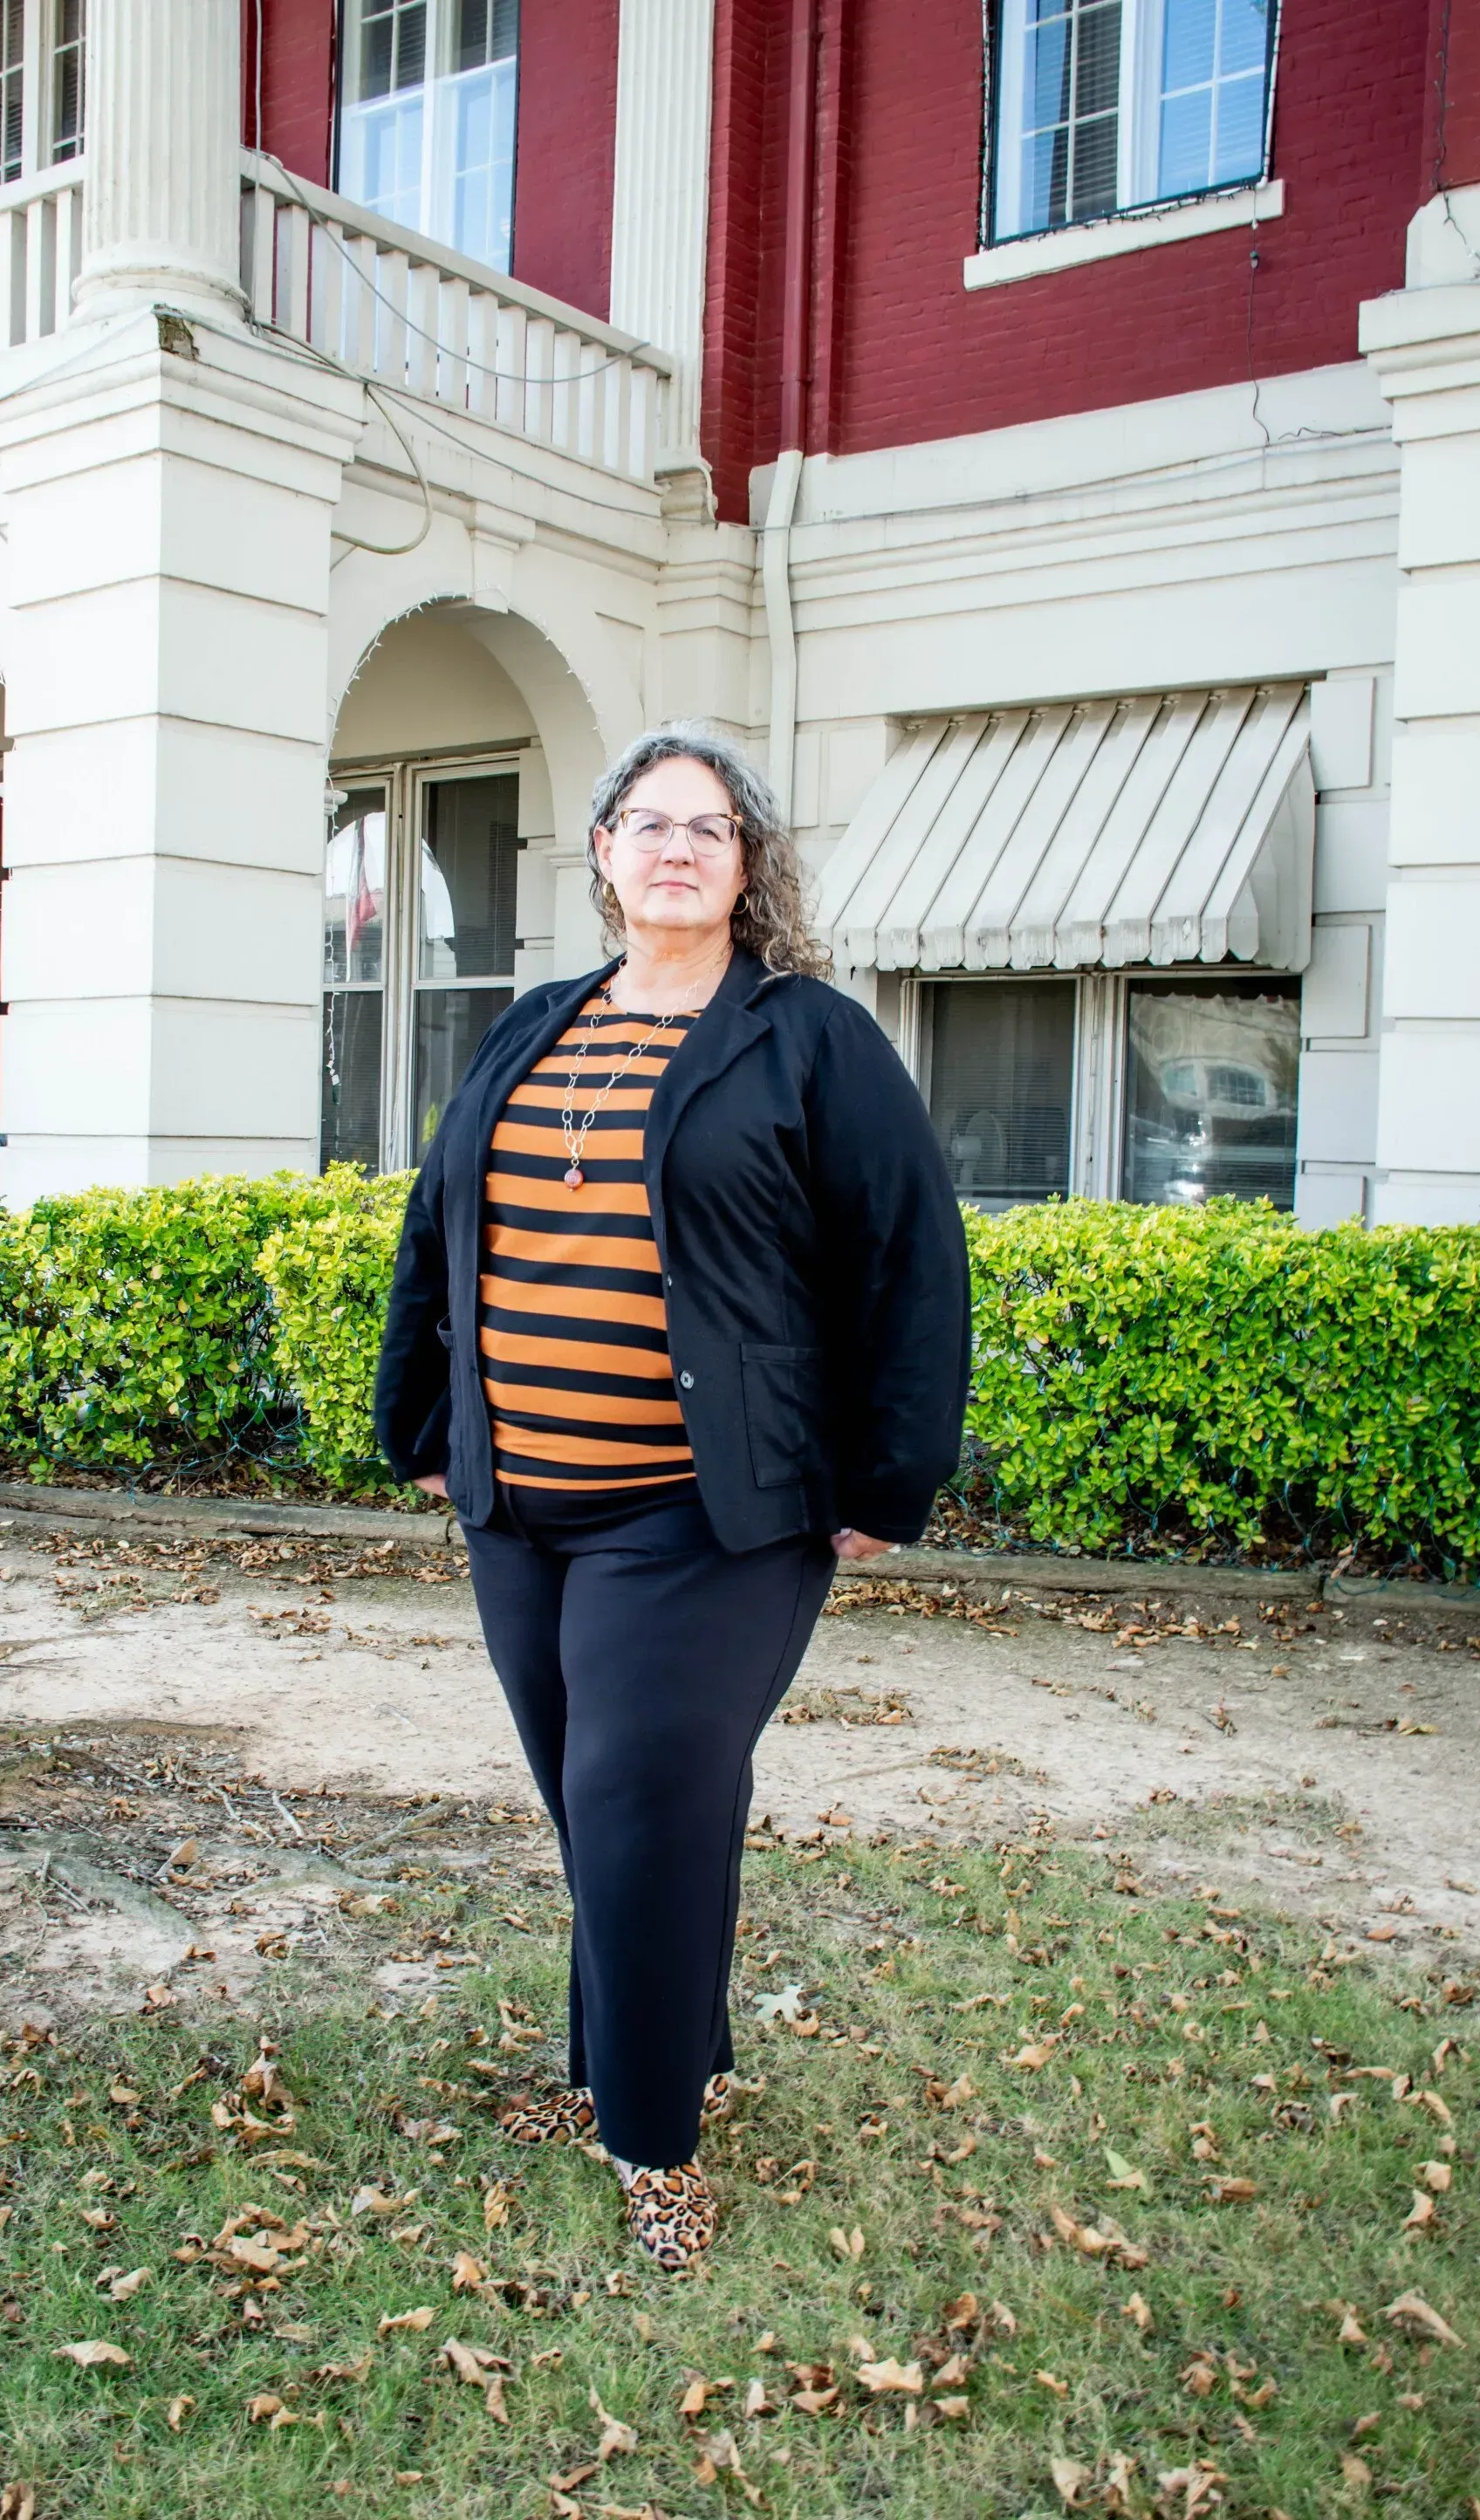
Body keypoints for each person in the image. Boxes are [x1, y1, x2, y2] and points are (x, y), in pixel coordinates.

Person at [373, 723, 970, 2270]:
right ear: (603, 857)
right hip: (524, 1507)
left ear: (747, 865)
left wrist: (885, 1479)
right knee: (612, 1807)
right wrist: (423, 1422)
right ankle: (643, 2056)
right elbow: (440, 1225)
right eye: (651, 824)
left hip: (705, 1517)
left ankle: (653, 2140)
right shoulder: (531, 1027)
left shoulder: (808, 1037)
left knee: (640, 1802)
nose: (679, 849)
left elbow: (911, 1260)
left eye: (711, 829)